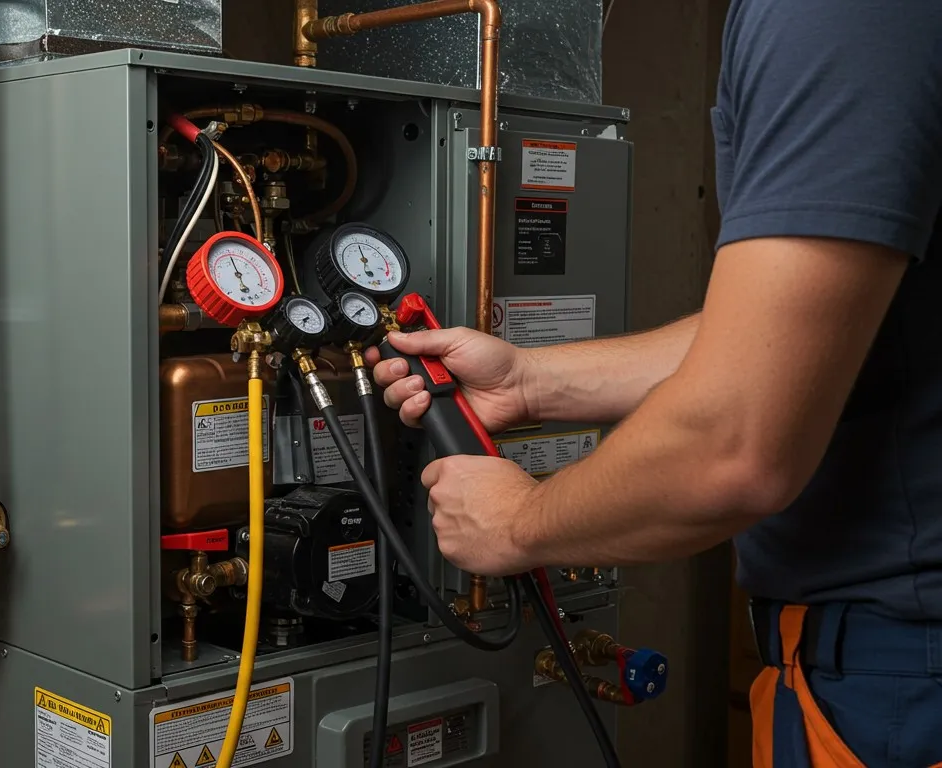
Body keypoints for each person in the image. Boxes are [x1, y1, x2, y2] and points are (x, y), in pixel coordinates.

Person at [369, 1, 942, 765]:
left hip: (901, 677)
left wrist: (520, 521)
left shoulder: (836, 17)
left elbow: (734, 446)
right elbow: (797, 335)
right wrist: (533, 380)